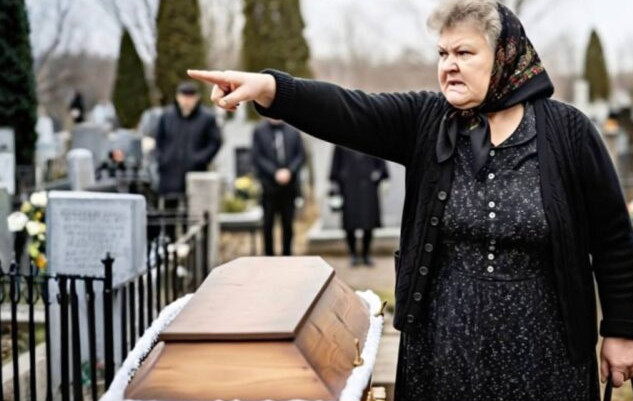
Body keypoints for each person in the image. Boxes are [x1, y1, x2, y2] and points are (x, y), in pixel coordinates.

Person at [187, 1, 633, 399]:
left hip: (546, 352)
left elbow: (613, 238)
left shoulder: (568, 132)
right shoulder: (427, 120)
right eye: (442, 54)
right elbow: (348, 111)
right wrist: (270, 88)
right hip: (444, 348)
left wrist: (620, 330)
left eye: (464, 53)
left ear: (504, 57)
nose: (449, 66)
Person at [156, 81, 222, 211]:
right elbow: (159, 140)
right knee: (169, 212)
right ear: (177, 97)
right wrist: (163, 159)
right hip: (170, 172)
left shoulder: (207, 118)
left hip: (195, 171)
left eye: (190, 97)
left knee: (195, 211)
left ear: (197, 98)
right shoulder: (166, 116)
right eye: (184, 96)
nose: (187, 101)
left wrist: (200, 158)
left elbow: (215, 142)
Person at [251, 118, 305, 256]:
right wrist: (274, 172)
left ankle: (287, 254)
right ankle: (269, 254)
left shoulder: (293, 131)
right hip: (269, 186)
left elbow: (300, 155)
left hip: (289, 186)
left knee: (288, 223)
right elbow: (257, 157)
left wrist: (290, 171)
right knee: (268, 223)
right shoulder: (259, 131)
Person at [329, 145, 389, 267]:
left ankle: (366, 254)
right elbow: (335, 167)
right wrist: (336, 184)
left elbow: (382, 167)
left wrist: (377, 174)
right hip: (348, 188)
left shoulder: (374, 140)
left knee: (369, 223)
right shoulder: (340, 142)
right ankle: (353, 254)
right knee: (349, 224)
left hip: (368, 188)